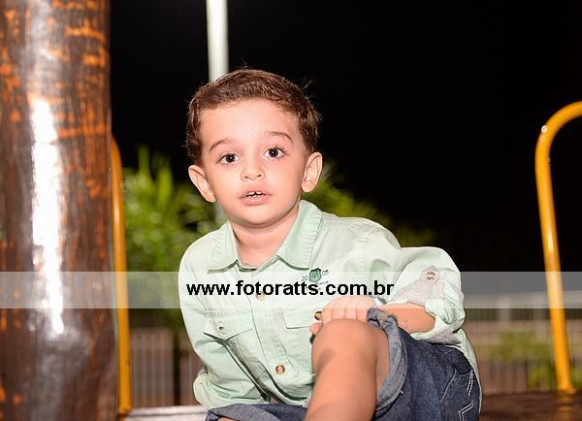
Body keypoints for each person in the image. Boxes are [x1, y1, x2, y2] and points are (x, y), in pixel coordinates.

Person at [178, 67, 481, 421]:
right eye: (230, 158)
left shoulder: (355, 245)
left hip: (427, 392)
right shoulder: (202, 267)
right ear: (204, 182)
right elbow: (234, 391)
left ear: (309, 171)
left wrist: (381, 316)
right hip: (304, 408)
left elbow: (436, 281)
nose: (252, 171)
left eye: (273, 152)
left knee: (342, 332)